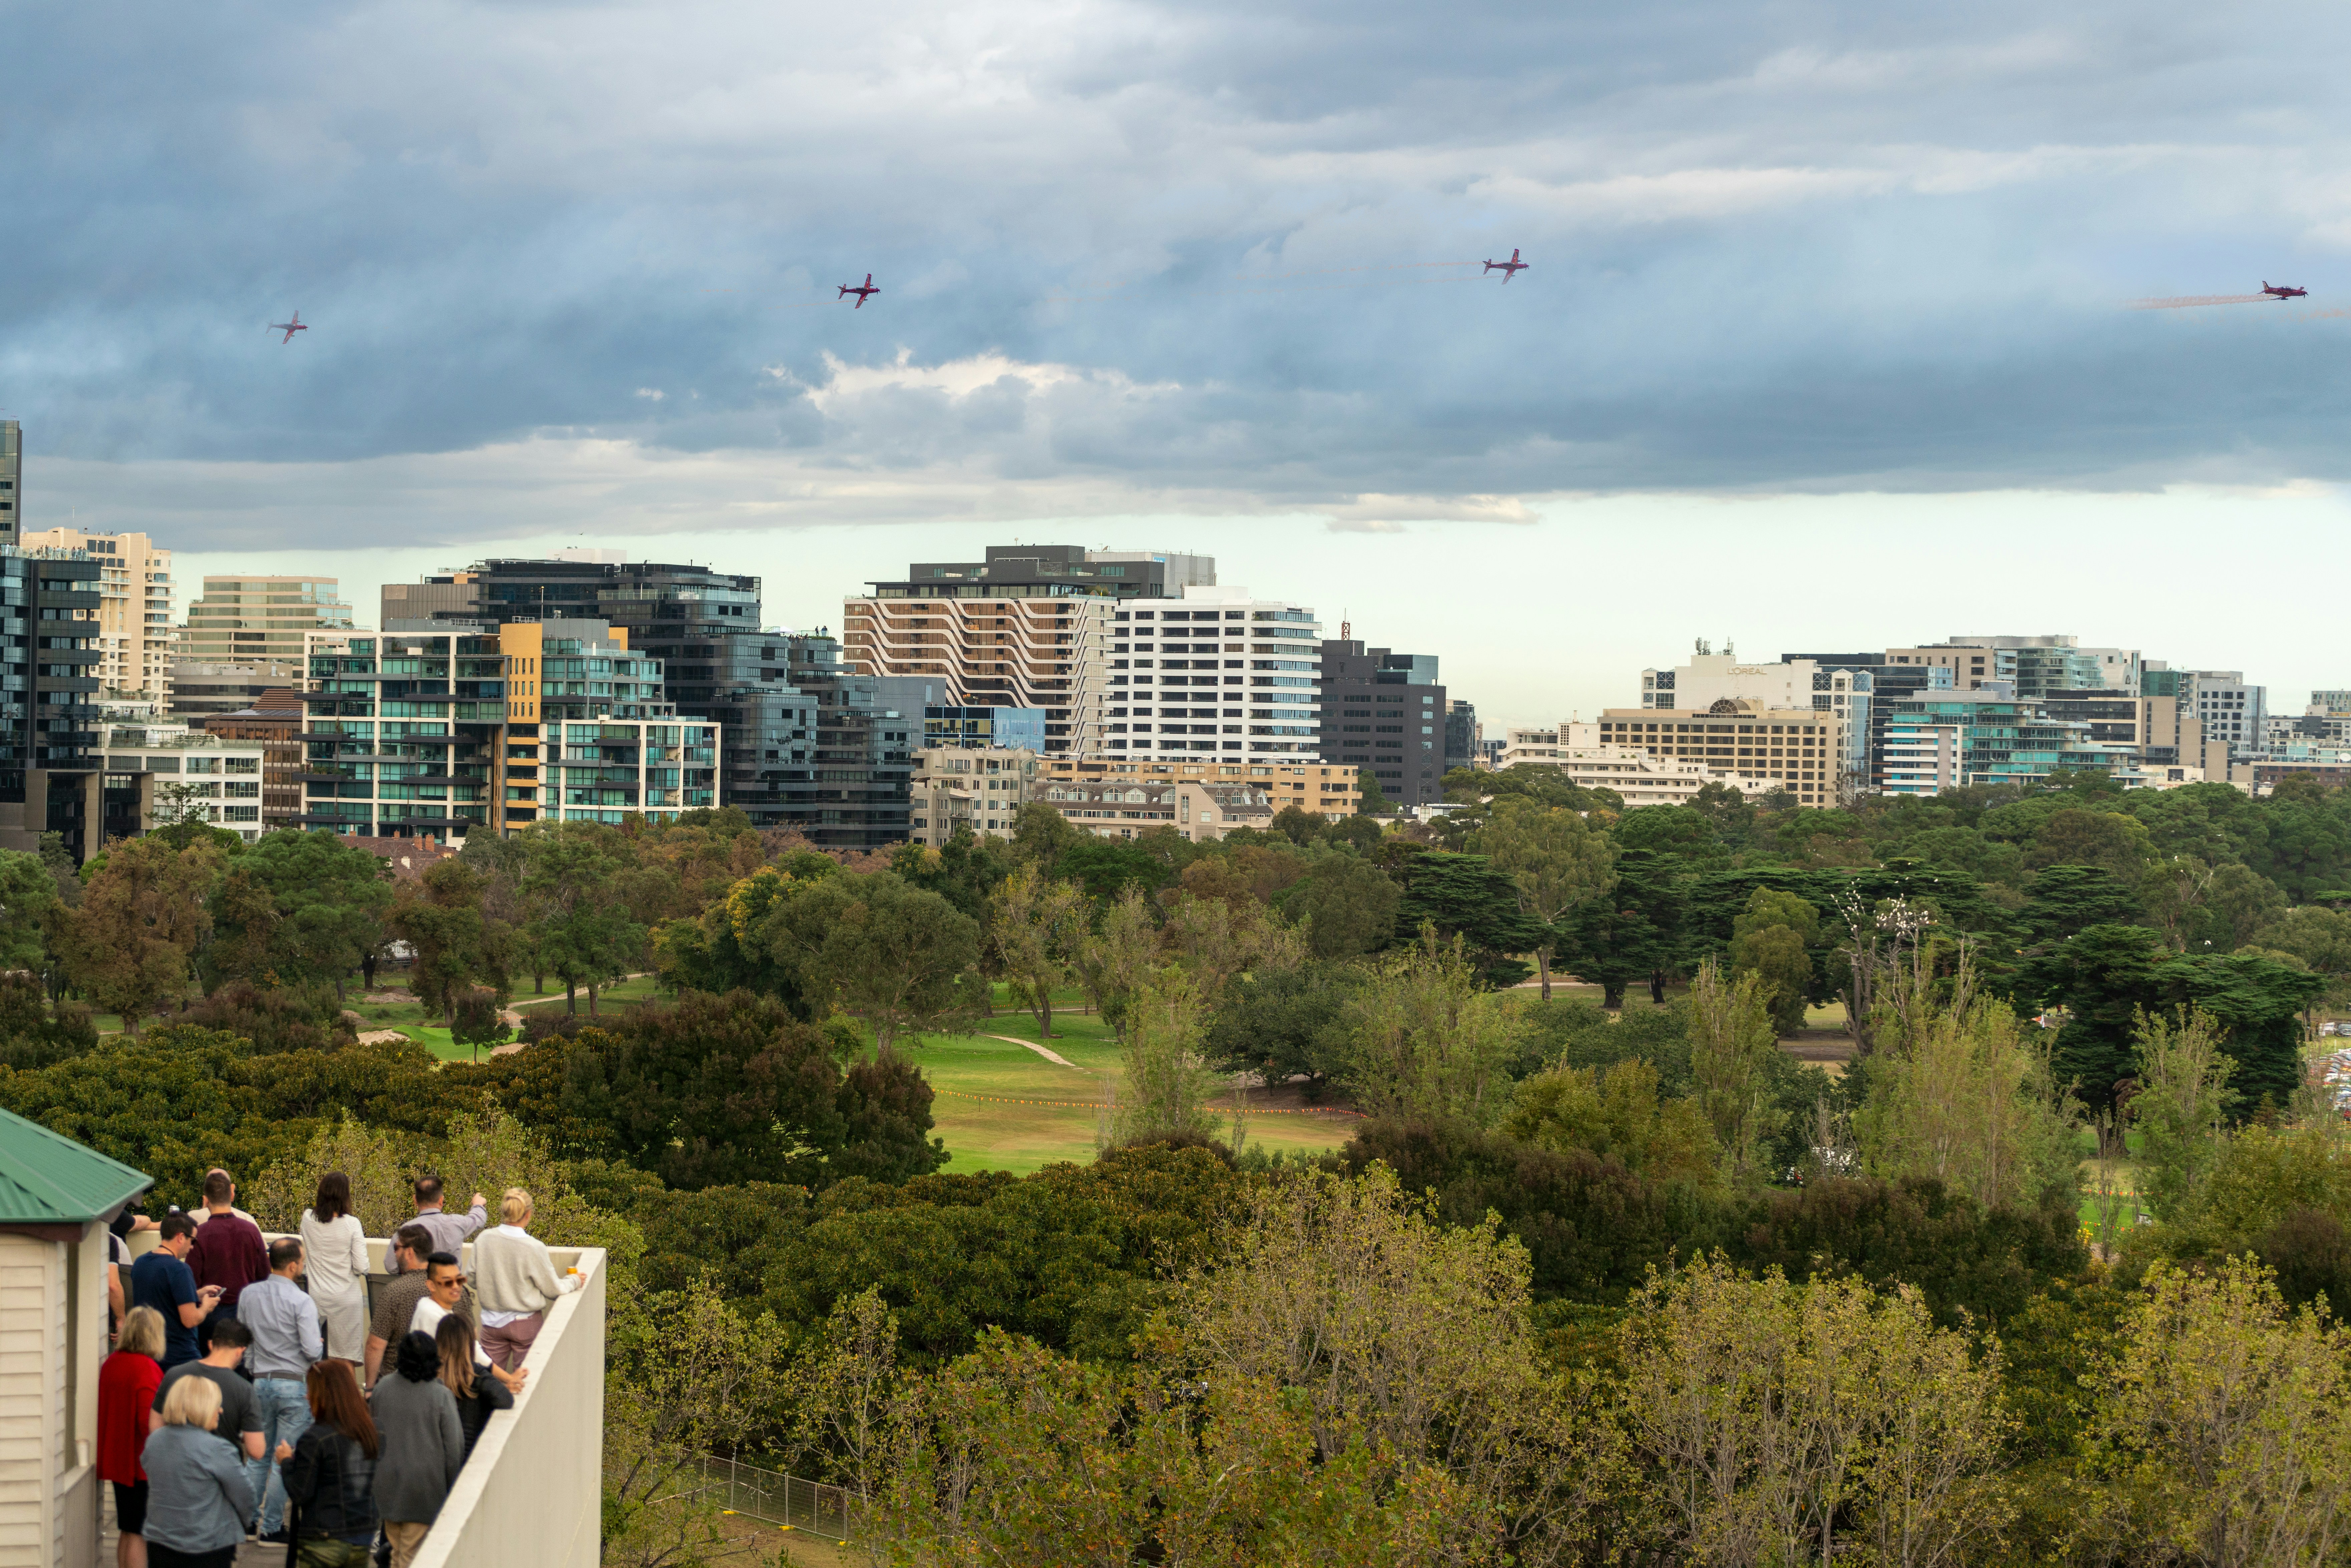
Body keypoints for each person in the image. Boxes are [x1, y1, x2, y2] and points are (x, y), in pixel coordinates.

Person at [239, 1236, 322, 1544]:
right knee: (283, 1457)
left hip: (260, 1380)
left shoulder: (249, 1295)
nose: (302, 1268)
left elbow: (244, 1340)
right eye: (301, 1263)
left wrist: (254, 1367)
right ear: (292, 1265)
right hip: (293, 1384)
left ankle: (247, 1522)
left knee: (258, 1456)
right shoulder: (302, 1300)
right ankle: (272, 1527)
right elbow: (313, 1350)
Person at [140, 1373, 255, 1568]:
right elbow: (245, 1496)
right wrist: (244, 1522)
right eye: (216, 1404)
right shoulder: (218, 1449)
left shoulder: (155, 1441)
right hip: (207, 1546)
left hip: (160, 1541)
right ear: (201, 1407)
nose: (220, 1410)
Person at [370, 1330, 464, 1568]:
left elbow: (373, 1438)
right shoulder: (441, 1395)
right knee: (412, 1556)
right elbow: (454, 1448)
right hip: (425, 1488)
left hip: (387, 1484)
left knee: (397, 1551)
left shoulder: (382, 1389)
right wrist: (452, 1488)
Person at [276, 1361, 380, 1568]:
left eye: (311, 1390)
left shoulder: (315, 1438)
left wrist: (286, 1462)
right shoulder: (375, 1431)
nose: (307, 1396)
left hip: (323, 1536)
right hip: (363, 1532)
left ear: (323, 1394)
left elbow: (300, 1492)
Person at [473, 1188, 582, 1371]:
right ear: (528, 1214)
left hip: (491, 1323)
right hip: (525, 1324)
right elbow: (554, 1290)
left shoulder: (484, 1240)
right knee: (526, 1382)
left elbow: (471, 1278)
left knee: (488, 1381)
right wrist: (575, 1280)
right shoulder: (533, 1247)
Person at [98, 1306, 167, 1568]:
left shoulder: (113, 1363)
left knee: (128, 1529)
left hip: (118, 1458)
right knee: (141, 1531)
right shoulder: (146, 1368)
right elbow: (148, 1423)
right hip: (141, 1464)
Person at [154, 1319, 263, 1467]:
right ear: (241, 1351)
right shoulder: (245, 1390)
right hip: (224, 1472)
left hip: (178, 1468)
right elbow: (257, 1451)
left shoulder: (174, 1374)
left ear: (211, 1345)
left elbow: (156, 1427)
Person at [410, 1253, 525, 1395]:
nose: (456, 1287)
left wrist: (508, 1379)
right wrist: (508, 1381)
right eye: (448, 1282)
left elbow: (473, 1351)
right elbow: (473, 1354)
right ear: (431, 1286)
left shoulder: (431, 1307)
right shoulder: (432, 1314)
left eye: (459, 1280)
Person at [185, 1171, 267, 1353]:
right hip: (245, 1313)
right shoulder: (251, 1230)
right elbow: (264, 1276)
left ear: (206, 1200)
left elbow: (191, 1282)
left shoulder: (201, 1234)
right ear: (232, 1193)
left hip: (211, 1315)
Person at [129, 1214, 222, 1370]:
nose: (192, 1247)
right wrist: (206, 1307)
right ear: (180, 1237)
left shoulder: (140, 1263)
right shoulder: (179, 1269)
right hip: (180, 1357)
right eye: (193, 1241)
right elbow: (190, 1320)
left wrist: (196, 1294)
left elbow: (161, 1297)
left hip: (148, 1354)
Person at [300, 1172, 371, 1364]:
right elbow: (361, 1266)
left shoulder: (307, 1219)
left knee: (318, 1359)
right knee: (345, 1359)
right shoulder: (352, 1224)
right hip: (346, 1300)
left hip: (316, 1298)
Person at [364, 1225, 434, 1391]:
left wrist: (370, 1389)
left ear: (410, 1253)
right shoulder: (449, 1290)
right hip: (437, 1383)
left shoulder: (394, 1292)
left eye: (397, 1248)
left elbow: (375, 1345)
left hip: (394, 1384)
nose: (394, 1253)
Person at [433, 1315, 513, 1457]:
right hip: (469, 1456)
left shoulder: (429, 1374)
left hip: (437, 1458)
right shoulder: (475, 1373)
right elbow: (506, 1400)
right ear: (469, 1343)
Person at [384, 1175, 485, 1275]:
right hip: (450, 1288)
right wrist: (478, 1205)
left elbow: (391, 1266)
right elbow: (478, 1219)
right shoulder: (458, 1224)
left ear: (415, 1201)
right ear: (441, 1200)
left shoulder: (405, 1232)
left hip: (417, 1289)